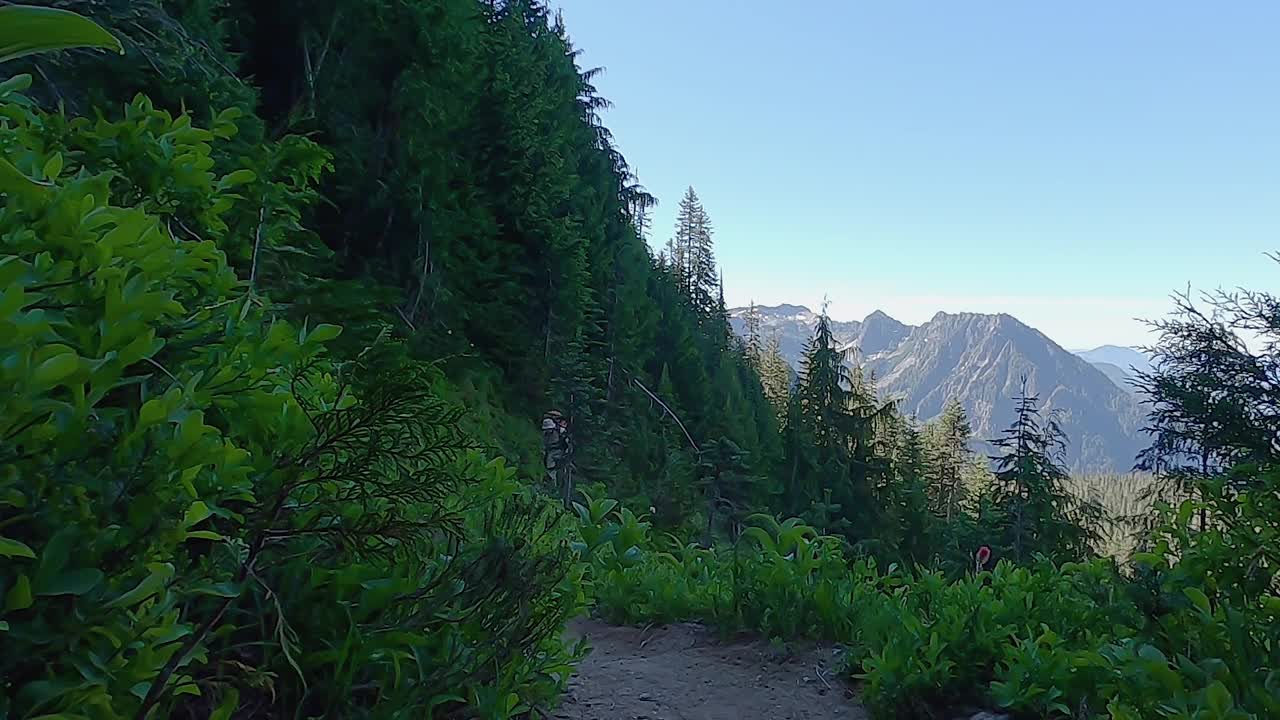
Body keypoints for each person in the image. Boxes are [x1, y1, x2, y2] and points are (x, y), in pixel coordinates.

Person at [542, 410, 573, 505]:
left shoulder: (554, 426)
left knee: (555, 471)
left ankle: (554, 492)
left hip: (556, 452)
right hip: (554, 452)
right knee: (553, 471)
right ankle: (552, 492)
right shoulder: (549, 423)